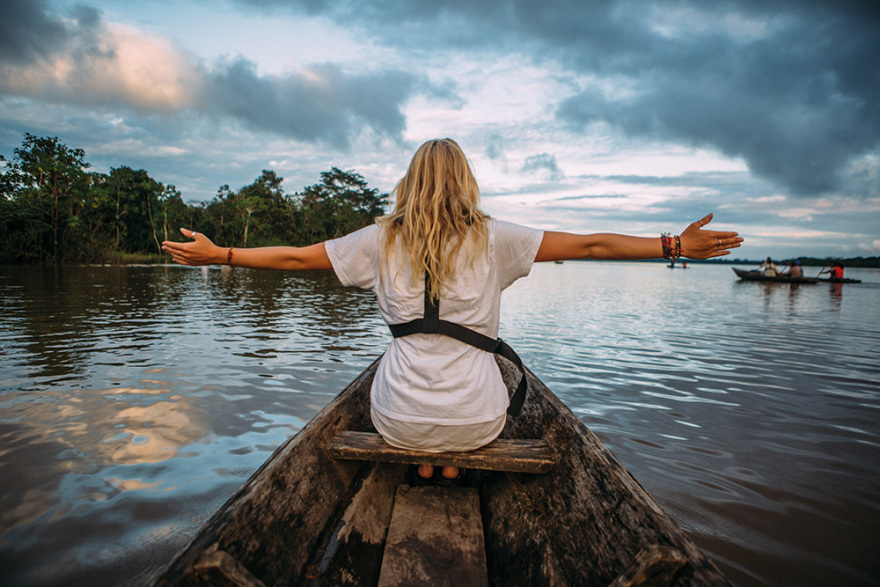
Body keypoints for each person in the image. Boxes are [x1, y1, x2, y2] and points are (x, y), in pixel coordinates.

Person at [161, 138, 742, 480]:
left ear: (409, 182)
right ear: (466, 183)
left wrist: (222, 254)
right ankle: (449, 461)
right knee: (485, 388)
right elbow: (591, 245)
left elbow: (294, 259)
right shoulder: (495, 238)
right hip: (478, 421)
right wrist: (673, 246)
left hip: (395, 418)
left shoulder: (379, 239)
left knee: (413, 408)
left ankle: (426, 460)